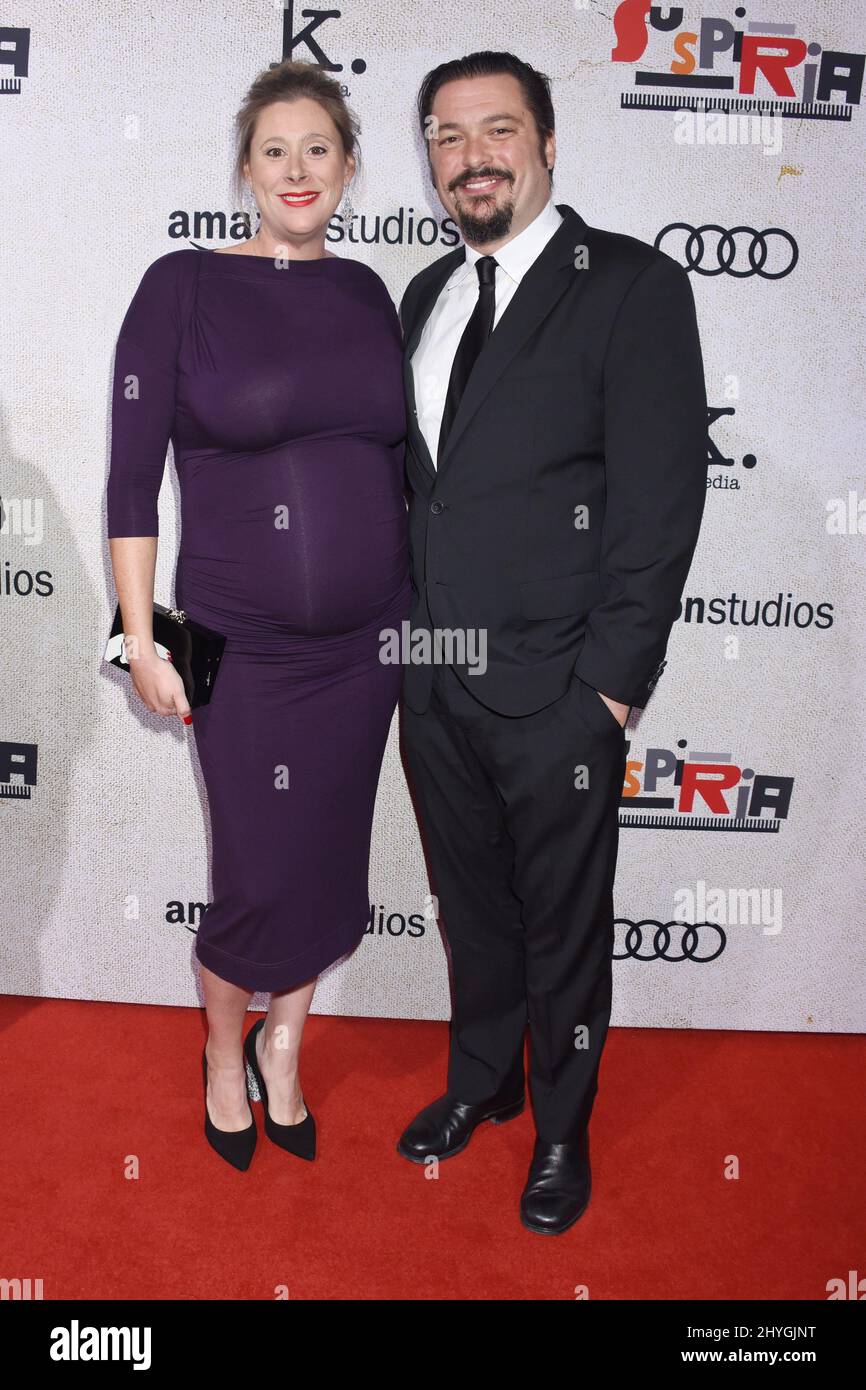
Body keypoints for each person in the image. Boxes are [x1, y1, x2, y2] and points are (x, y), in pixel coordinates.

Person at [396, 50, 708, 1233]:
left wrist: (609, 693)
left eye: (494, 129)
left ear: (545, 141)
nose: (469, 155)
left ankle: (562, 1128)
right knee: (468, 907)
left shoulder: (627, 285)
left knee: (563, 925)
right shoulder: (423, 294)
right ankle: (481, 1085)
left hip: (560, 693)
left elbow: (657, 503)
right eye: (444, 134)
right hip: (432, 686)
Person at [106, 60, 410, 1171]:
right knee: (255, 868)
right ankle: (221, 1050)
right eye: (274, 150)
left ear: (346, 167)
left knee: (327, 861)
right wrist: (140, 637)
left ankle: (285, 1048)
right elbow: (132, 483)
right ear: (243, 167)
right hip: (241, 645)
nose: (296, 170)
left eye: (318, 149)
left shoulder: (367, 291)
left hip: (370, 639)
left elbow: (397, 462)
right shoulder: (180, 285)